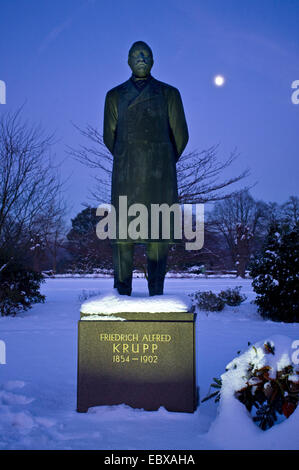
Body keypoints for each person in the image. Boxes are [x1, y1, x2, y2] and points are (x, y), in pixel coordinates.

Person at [103, 41, 189, 296]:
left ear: (153, 60)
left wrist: (160, 160)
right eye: (136, 54)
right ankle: (121, 293)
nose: (141, 58)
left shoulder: (169, 94)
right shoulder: (115, 95)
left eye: (146, 54)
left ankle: (157, 293)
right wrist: (130, 156)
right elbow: (110, 137)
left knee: (158, 236)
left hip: (159, 179)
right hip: (126, 176)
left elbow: (181, 136)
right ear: (128, 60)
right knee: (122, 237)